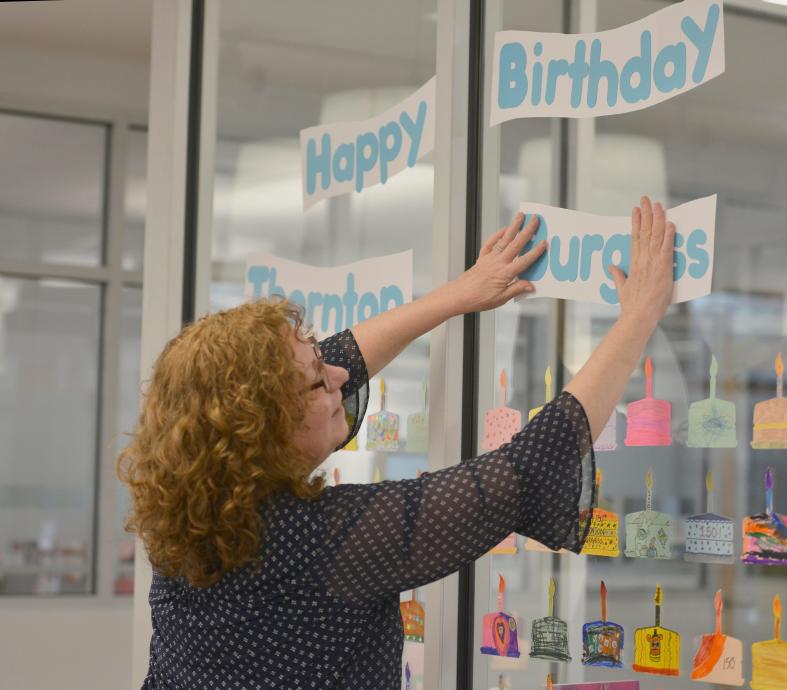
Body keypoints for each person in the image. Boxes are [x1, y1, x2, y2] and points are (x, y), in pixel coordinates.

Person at [119, 197, 676, 689]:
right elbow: (527, 468)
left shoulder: (191, 518)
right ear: (264, 432)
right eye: (317, 380)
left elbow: (342, 356)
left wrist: (456, 296)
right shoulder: (322, 544)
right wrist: (639, 316)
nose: (337, 376)